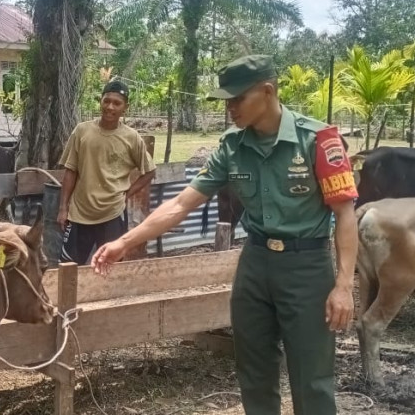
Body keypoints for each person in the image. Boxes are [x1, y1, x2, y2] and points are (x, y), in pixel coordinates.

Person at [91, 55, 359, 415]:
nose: (230, 108)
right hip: (255, 265)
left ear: (267, 91)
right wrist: (124, 242)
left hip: (307, 268)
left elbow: (345, 213)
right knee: (254, 371)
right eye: (226, 101)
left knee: (311, 378)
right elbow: (182, 204)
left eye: (237, 99)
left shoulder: (317, 140)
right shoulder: (232, 147)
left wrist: (343, 285)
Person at [56, 79, 157, 265]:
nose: (110, 107)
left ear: (125, 107)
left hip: (112, 214)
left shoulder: (131, 138)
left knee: (109, 268)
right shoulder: (82, 131)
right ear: (100, 101)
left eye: (117, 103)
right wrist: (63, 208)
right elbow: (70, 170)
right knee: (68, 267)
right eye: (106, 101)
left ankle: (104, 296)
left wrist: (127, 193)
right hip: (79, 213)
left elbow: (149, 172)